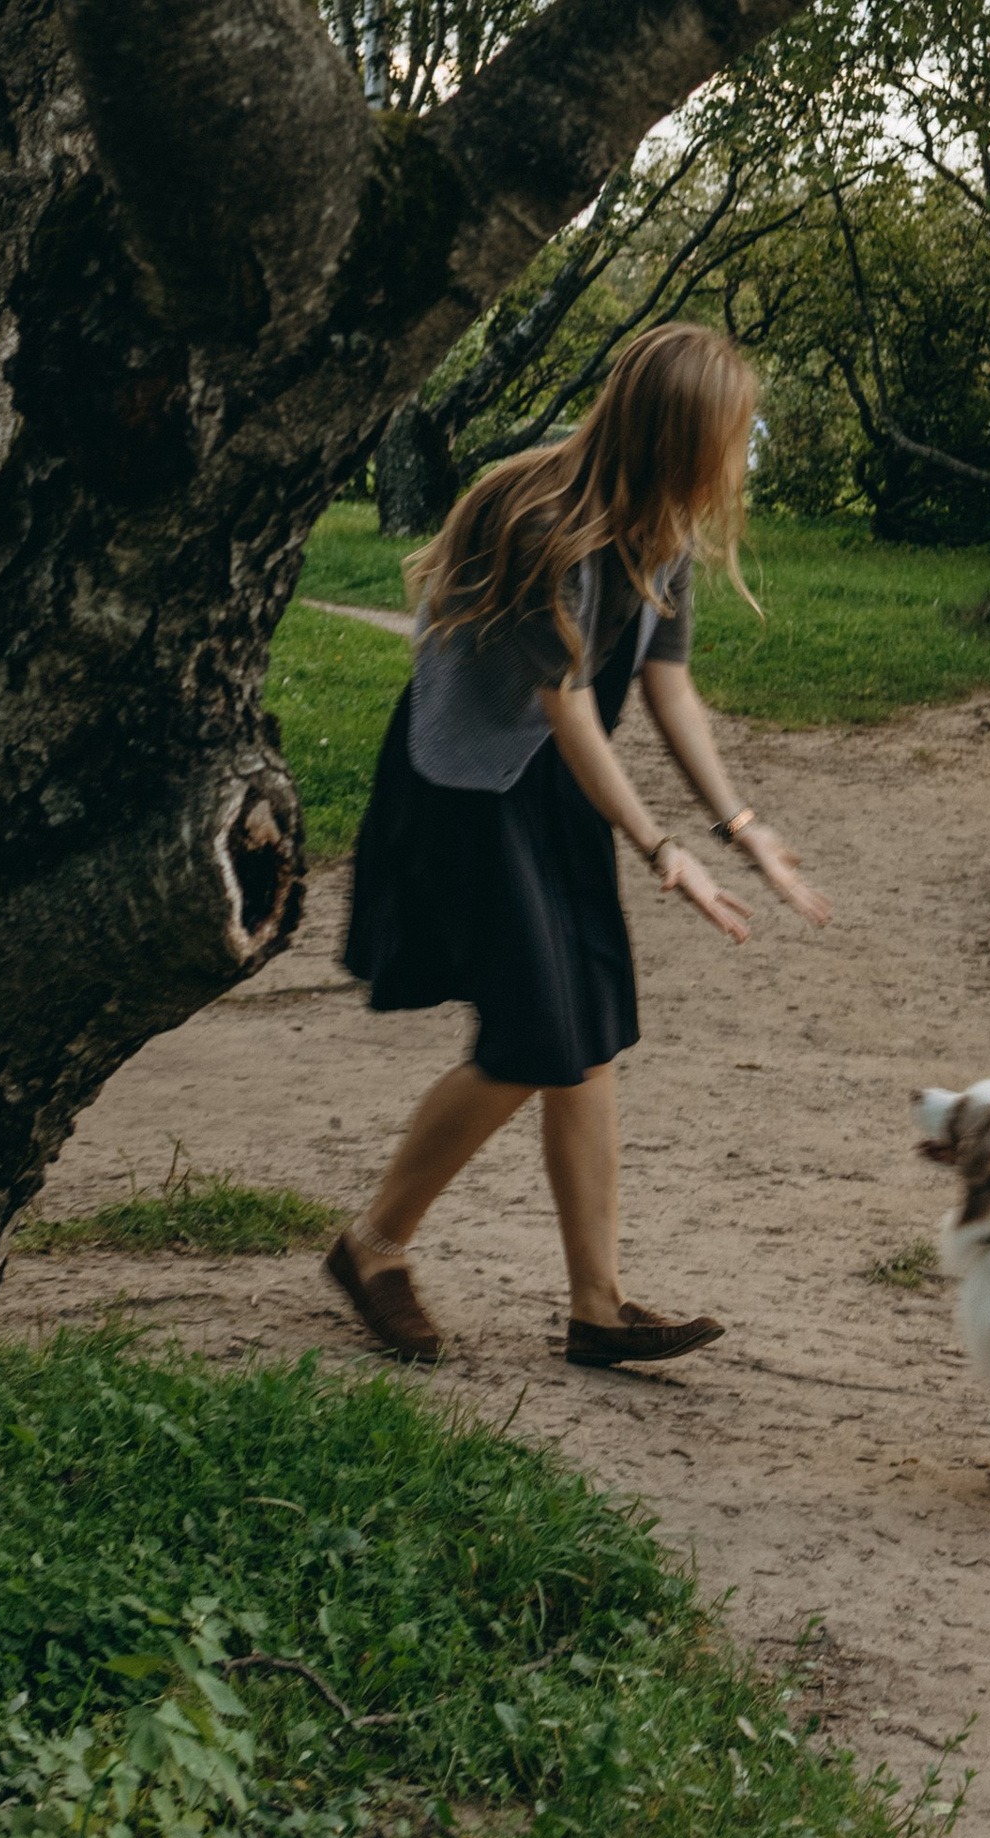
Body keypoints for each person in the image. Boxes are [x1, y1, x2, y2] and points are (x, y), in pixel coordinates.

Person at [327, 321, 827, 1368]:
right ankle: (370, 1249)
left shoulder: (663, 526)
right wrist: (657, 849)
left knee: (584, 1027)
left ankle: (596, 1304)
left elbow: (666, 684)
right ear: (679, 435)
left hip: (548, 784)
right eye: (739, 433)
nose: (746, 455)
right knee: (535, 1039)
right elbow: (568, 710)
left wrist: (740, 829)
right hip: (465, 784)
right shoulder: (539, 517)